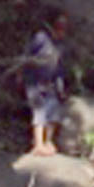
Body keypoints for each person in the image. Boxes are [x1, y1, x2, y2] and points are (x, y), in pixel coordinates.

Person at [24, 13, 73, 159]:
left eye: (64, 27)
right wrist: (23, 77)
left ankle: (48, 142)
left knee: (54, 113)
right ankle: (38, 144)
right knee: (39, 113)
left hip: (51, 83)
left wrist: (61, 88)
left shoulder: (60, 45)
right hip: (35, 81)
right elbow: (27, 56)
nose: (62, 30)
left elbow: (59, 68)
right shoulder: (41, 38)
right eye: (59, 26)